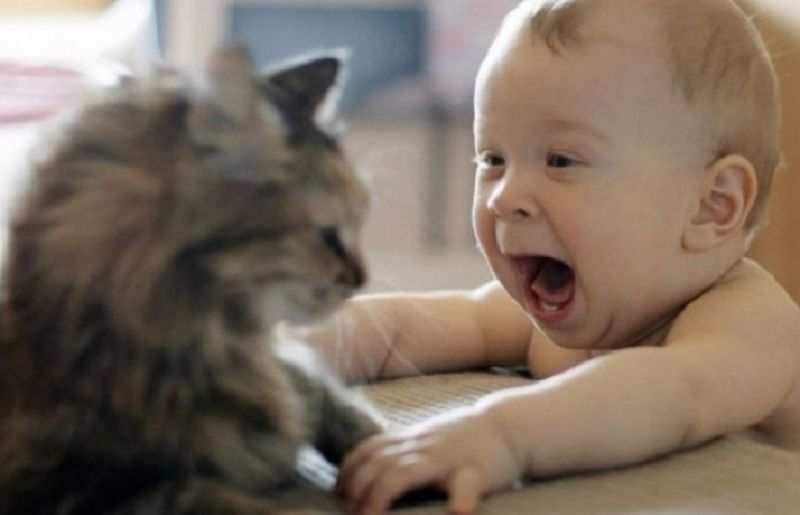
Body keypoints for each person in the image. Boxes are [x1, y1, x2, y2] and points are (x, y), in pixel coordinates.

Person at [297, 0, 800, 513]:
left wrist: (500, 435)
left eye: (560, 161)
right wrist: (289, 350)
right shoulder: (566, 314)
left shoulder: (750, 325)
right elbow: (404, 330)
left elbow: (667, 394)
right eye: (493, 159)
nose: (504, 197)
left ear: (712, 206)